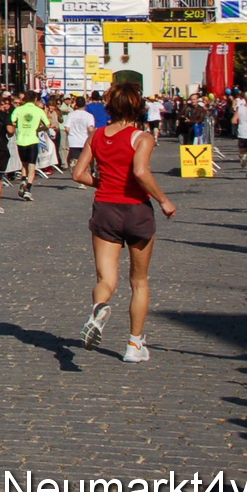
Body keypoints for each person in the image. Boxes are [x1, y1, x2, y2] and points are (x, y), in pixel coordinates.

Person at [72, 80, 178, 362]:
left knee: (106, 279)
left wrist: (103, 182)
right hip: (136, 209)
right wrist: (163, 200)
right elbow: (141, 172)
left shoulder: (97, 136)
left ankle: (99, 307)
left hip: (106, 207)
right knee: (139, 280)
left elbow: (78, 174)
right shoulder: (142, 137)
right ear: (138, 107)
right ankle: (134, 345)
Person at [9, 91, 51, 200]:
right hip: (33, 140)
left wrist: (18, 126)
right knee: (32, 165)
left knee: (24, 164)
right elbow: (48, 125)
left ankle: (23, 179)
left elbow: (12, 121)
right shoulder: (38, 110)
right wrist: (39, 129)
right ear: (35, 100)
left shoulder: (18, 109)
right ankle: (28, 189)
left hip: (21, 140)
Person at [64, 96, 96, 187]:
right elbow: (90, 128)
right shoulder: (89, 116)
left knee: (76, 160)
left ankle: (77, 173)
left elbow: (66, 128)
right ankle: (85, 177)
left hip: (73, 140)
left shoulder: (71, 114)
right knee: (85, 161)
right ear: (85, 104)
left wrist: (72, 134)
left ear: (76, 104)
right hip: (85, 140)